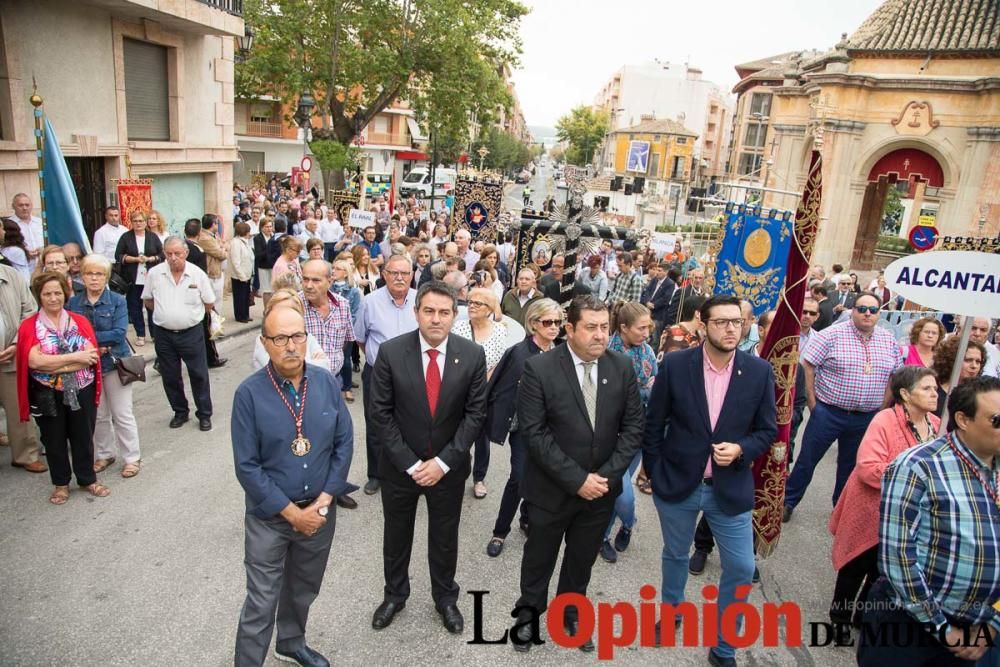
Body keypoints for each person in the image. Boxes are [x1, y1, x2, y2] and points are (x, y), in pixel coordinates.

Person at [642, 295, 777, 663]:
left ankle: (723, 645)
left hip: (728, 487)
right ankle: (671, 613)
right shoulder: (675, 365)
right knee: (675, 553)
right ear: (703, 324)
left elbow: (768, 430)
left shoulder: (759, 371)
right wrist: (654, 472)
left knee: (741, 566)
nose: (732, 328)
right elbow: (654, 424)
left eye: (738, 321)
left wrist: (741, 449)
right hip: (679, 483)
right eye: (722, 322)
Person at [510, 295, 643, 653]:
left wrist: (605, 478)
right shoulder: (540, 369)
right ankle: (528, 617)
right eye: (591, 327)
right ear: (569, 329)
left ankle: (569, 616)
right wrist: (577, 480)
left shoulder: (621, 367)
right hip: (551, 490)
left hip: (600, 492)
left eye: (605, 327)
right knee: (539, 559)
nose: (601, 335)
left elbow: (632, 429)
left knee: (580, 561)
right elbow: (534, 434)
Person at [231, 306, 356, 667]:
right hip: (270, 517)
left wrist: (324, 501)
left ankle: (291, 641)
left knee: (303, 587)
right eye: (280, 338)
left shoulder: (326, 382)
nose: (290, 346)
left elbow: (343, 443)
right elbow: (247, 466)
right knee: (261, 600)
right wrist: (291, 514)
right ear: (264, 343)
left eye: (297, 336)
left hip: (318, 511)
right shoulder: (249, 394)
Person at [368, 282, 488, 636]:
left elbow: (474, 415)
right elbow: (380, 413)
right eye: (429, 311)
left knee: (444, 536)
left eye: (445, 312)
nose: (436, 319)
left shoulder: (471, 355)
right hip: (400, 469)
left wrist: (443, 463)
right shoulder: (390, 353)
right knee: (396, 535)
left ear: (455, 315)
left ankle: (445, 598)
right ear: (416, 312)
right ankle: (394, 595)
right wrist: (410, 463)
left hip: (447, 471)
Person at [861, 377, 1000, 665]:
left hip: (981, 629)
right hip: (910, 627)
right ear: (963, 419)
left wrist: (993, 624)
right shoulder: (917, 467)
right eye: (997, 420)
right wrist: (942, 628)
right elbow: (897, 558)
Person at [828, 366, 939, 627]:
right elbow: (868, 468)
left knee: (882, 572)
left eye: (935, 388)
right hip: (870, 509)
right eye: (927, 388)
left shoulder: (936, 425)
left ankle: (862, 617)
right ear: (905, 393)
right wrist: (915, 480)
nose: (935, 394)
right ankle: (839, 619)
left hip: (906, 518)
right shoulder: (885, 420)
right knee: (855, 567)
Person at [783, 292, 903, 522]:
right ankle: (788, 502)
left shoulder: (888, 340)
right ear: (852, 310)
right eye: (862, 308)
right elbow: (808, 365)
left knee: (851, 466)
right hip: (828, 412)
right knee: (807, 460)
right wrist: (813, 403)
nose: (867, 313)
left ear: (879, 313)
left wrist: (883, 406)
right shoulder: (831, 335)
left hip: (866, 416)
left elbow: (894, 375)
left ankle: (841, 509)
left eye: (873, 310)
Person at [16, 272, 107, 505]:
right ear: (39, 296)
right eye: (47, 294)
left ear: (65, 294)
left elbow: (90, 357)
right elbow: (35, 362)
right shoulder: (29, 326)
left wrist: (55, 363)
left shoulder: (79, 321)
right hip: (46, 393)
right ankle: (61, 484)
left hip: (82, 388)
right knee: (53, 439)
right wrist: (73, 359)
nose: (53, 298)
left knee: (83, 435)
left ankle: (87, 478)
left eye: (57, 293)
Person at [484, 298, 562, 558]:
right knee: (519, 476)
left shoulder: (560, 354)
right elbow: (498, 387)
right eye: (548, 322)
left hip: (550, 430)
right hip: (522, 428)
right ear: (533, 323)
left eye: (558, 322)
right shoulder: (518, 352)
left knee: (540, 475)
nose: (554, 327)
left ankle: (527, 518)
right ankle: (499, 531)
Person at [68, 254, 141, 479]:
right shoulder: (73, 303)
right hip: (87, 365)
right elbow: (71, 334)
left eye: (99, 274)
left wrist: (88, 339)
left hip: (114, 363)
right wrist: (95, 344)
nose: (94, 278)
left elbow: (118, 334)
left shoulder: (117, 300)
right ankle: (105, 453)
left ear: (106, 276)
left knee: (122, 413)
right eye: (90, 273)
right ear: (82, 276)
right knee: (98, 415)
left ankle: (132, 458)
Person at [353, 255, 418, 495]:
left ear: (411, 275)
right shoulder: (370, 302)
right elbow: (361, 338)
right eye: (394, 273)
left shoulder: (420, 300)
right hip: (378, 375)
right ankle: (376, 474)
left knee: (411, 423)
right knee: (376, 424)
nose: (399, 278)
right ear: (384, 275)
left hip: (413, 375)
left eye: (404, 273)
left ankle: (407, 469)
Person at [599, 302, 657, 564]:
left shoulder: (648, 351)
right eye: (641, 328)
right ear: (623, 327)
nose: (647, 333)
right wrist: (643, 389)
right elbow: (613, 396)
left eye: (649, 327)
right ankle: (628, 522)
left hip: (639, 433)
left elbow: (655, 387)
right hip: (611, 434)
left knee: (616, 488)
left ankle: (607, 534)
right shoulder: (606, 352)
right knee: (623, 494)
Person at [298, 259, 358, 511]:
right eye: (306, 279)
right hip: (300, 384)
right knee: (305, 440)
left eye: (316, 280)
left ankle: (335, 487)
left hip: (331, 383)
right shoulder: (294, 306)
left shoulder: (342, 305)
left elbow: (346, 340)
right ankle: (308, 491)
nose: (309, 285)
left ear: (330, 282)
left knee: (336, 438)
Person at [141, 236, 216, 432]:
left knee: (199, 374)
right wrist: (166, 314)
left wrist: (188, 316)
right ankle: (180, 411)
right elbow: (148, 300)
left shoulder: (197, 274)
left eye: (177, 254)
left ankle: (204, 414)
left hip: (191, 333)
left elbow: (209, 303)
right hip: (164, 334)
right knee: (170, 376)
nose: (173, 258)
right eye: (169, 254)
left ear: (186, 253)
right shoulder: (155, 274)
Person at [452, 287, 508, 499]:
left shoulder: (500, 330)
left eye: (478, 303)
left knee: (482, 437)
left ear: (489, 309)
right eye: (470, 302)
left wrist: (484, 384)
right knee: (457, 432)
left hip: (486, 392)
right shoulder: (458, 328)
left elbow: (500, 362)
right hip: (459, 389)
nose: (471, 306)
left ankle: (479, 478)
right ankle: (457, 472)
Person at [0, 263, 46, 473]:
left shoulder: (11, 275)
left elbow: (29, 311)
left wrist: (17, 343)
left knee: (18, 407)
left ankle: (25, 455)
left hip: (11, 354)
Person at [115, 209, 165, 347]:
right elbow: (118, 256)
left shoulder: (152, 237)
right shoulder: (126, 237)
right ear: (131, 222)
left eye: (141, 221)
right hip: (132, 278)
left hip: (150, 278)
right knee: (135, 307)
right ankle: (140, 334)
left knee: (152, 307)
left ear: (145, 222)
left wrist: (151, 258)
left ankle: (155, 335)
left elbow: (162, 255)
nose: (138, 223)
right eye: (135, 221)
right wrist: (135, 259)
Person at [250, 289, 329, 372]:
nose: (291, 347)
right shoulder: (265, 340)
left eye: (291, 311)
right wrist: (313, 363)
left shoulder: (307, 337)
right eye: (280, 339)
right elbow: (282, 370)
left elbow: (325, 366)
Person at [330, 259, 361, 403]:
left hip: (345, 332)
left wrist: (344, 329)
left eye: (337, 269)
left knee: (345, 360)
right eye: (333, 268)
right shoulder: (328, 289)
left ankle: (347, 387)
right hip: (329, 331)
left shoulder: (353, 292)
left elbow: (354, 314)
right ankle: (332, 387)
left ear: (345, 273)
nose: (333, 271)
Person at [932, 336, 986, 418]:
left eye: (978, 361)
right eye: (968, 360)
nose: (974, 366)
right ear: (951, 360)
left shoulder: (980, 395)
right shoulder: (933, 391)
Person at [7, 193, 44, 269]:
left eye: (27, 205)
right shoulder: (8, 225)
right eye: (20, 205)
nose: (24, 208)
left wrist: (43, 248)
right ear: (13, 206)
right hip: (20, 268)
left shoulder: (40, 222)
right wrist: (24, 252)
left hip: (43, 266)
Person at [198, 214, 228, 303]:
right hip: (211, 274)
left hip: (218, 271)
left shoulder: (214, 235)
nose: (218, 226)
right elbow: (221, 254)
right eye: (217, 223)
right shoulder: (205, 238)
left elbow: (226, 244)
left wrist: (222, 247)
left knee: (219, 300)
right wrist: (223, 248)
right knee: (213, 302)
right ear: (213, 224)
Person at [229, 221, 255, 323]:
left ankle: (246, 314)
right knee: (240, 297)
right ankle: (240, 316)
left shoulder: (245, 242)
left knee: (245, 297)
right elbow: (236, 262)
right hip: (239, 276)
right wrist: (242, 276)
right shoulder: (236, 243)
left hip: (247, 274)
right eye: (248, 231)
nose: (250, 233)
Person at [254, 218, 276, 307]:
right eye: (267, 227)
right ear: (262, 227)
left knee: (273, 290)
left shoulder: (273, 237)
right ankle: (266, 309)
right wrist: (269, 247)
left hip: (273, 266)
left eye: (270, 227)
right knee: (266, 290)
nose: (269, 229)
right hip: (263, 267)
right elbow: (258, 255)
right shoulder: (258, 238)